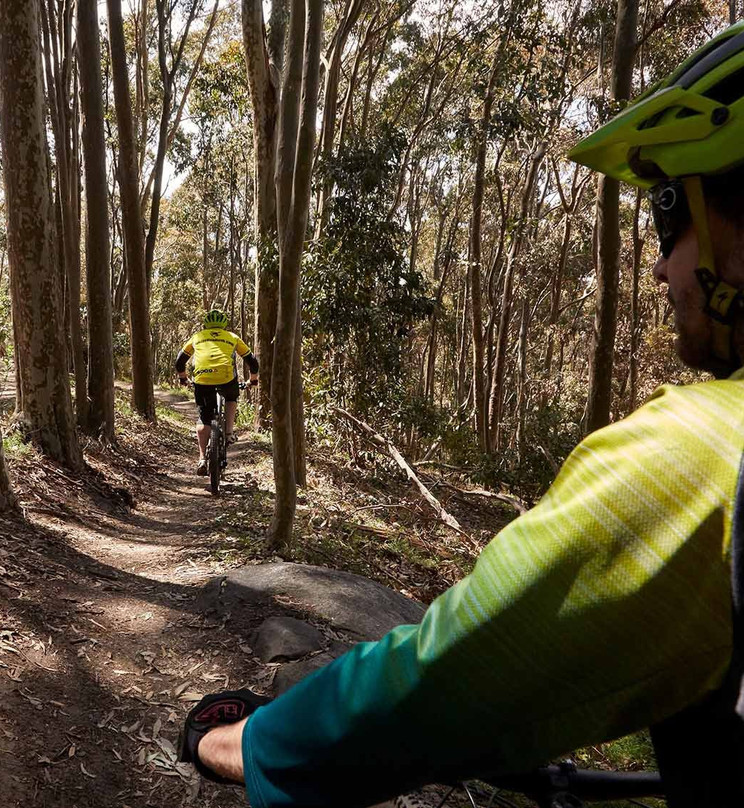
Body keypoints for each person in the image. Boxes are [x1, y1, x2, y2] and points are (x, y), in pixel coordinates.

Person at [182, 21, 744, 808]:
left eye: (668, 219)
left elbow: (447, 680)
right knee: (225, 414)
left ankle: (204, 440)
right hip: (229, 381)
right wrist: (243, 376)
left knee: (208, 416)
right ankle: (220, 433)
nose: (658, 262)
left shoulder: (700, 452)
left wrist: (233, 740)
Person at [175, 310, 260, 476]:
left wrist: (183, 378)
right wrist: (253, 380)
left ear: (206, 324)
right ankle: (228, 433)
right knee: (231, 397)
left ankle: (201, 459)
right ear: (224, 324)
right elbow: (252, 362)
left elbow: (180, 361)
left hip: (202, 379)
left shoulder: (197, 336)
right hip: (226, 379)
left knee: (204, 417)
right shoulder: (232, 337)